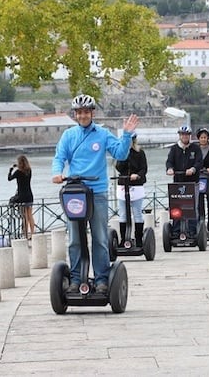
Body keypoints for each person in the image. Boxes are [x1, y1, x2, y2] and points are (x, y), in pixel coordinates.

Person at [52, 94, 138, 295]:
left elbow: (120, 154)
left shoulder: (102, 133)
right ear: (75, 114)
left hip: (97, 191)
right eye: (79, 112)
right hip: (74, 191)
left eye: (86, 112)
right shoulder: (68, 135)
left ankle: (101, 279)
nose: (83, 115)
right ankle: (75, 279)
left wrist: (125, 135)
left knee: (99, 238)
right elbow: (59, 157)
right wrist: (57, 173)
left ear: (92, 113)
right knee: (74, 238)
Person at [166, 126, 203, 235]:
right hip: (178, 182)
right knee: (176, 206)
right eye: (182, 134)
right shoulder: (174, 149)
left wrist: (193, 169)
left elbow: (199, 162)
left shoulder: (195, 148)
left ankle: (192, 230)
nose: (184, 136)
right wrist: (170, 169)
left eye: (186, 134)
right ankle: (176, 231)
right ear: (180, 136)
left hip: (192, 182)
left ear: (189, 136)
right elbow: (169, 161)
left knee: (191, 206)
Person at [115, 133, 148, 247]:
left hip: (136, 185)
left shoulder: (140, 153)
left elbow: (144, 168)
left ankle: (138, 239)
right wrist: (124, 153)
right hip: (123, 184)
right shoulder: (121, 153)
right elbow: (118, 167)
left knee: (137, 213)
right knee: (123, 214)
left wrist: (137, 175)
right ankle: (124, 239)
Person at [8, 155, 35, 239]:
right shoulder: (29, 171)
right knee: (30, 215)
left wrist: (11, 169)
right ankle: (33, 233)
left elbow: (9, 178)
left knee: (24, 216)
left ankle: (26, 234)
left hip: (22, 196)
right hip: (29, 195)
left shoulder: (18, 172)